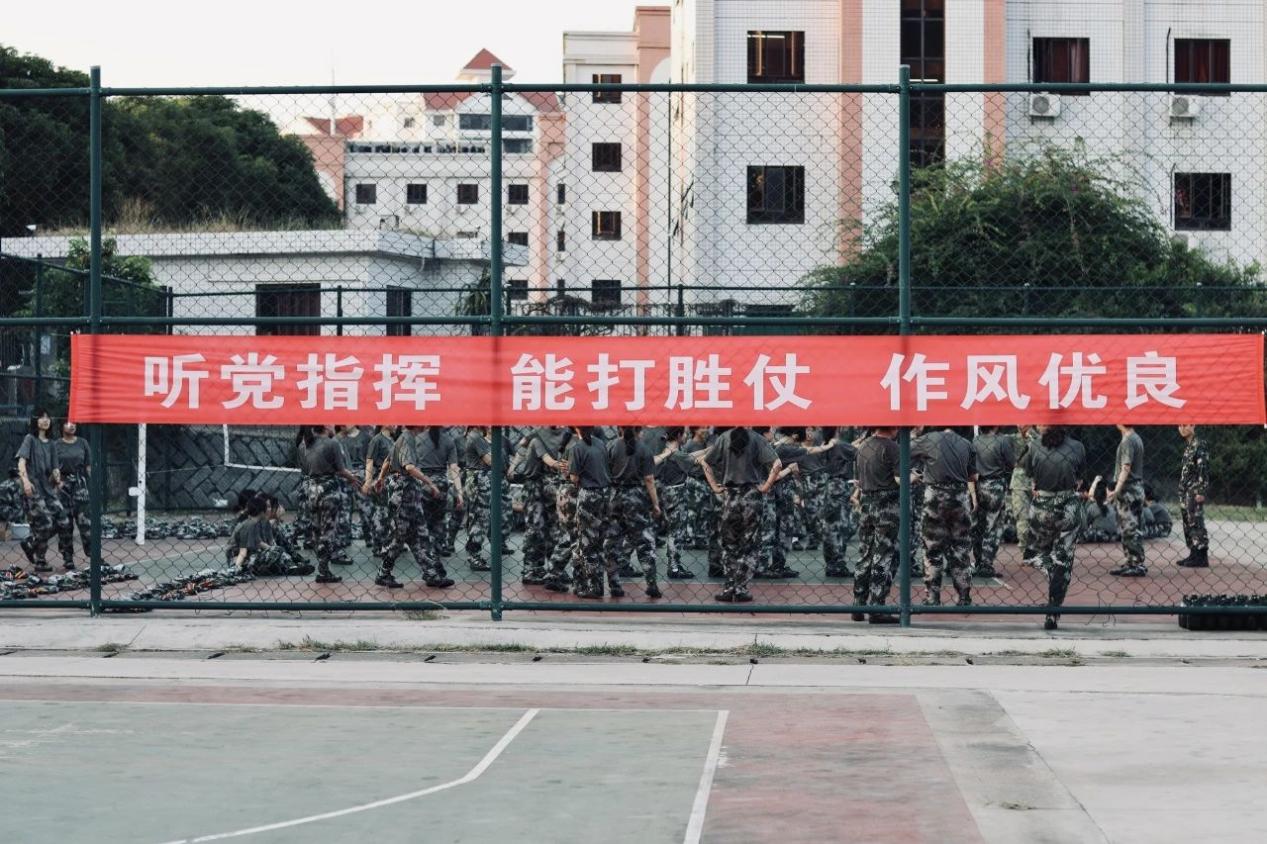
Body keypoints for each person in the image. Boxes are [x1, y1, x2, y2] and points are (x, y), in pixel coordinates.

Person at [1020, 425, 1090, 631]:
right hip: (1068, 504)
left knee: (1032, 555)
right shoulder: (1077, 446)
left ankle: (1051, 567)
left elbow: (1029, 475)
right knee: (1064, 559)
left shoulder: (1034, 446)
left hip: (1043, 504)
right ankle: (1054, 610)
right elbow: (1080, 478)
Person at [700, 427, 781, 603]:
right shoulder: (757, 439)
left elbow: (705, 462)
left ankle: (729, 586)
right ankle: (741, 587)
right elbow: (777, 464)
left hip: (730, 496)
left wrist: (714, 486)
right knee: (749, 544)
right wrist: (766, 486)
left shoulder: (724, 438)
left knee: (729, 544)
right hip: (751, 496)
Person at [378, 427, 455, 589]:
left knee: (420, 534)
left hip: (410, 493)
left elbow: (387, 462)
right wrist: (430, 482)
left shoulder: (401, 438)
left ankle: (431, 573)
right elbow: (409, 467)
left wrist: (381, 478)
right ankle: (383, 573)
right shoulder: (408, 439)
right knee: (400, 537)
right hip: (404, 493)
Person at [911, 426, 978, 607]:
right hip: (960, 496)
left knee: (932, 548)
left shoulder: (928, 439)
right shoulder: (966, 444)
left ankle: (932, 597)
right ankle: (963, 597)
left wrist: (919, 472)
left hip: (935, 495)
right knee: (960, 548)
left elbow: (905, 453)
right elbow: (973, 476)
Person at [603, 426, 663, 599]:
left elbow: (605, 472)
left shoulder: (611, 446)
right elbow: (649, 479)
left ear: (620, 428)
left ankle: (614, 585)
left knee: (612, 541)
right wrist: (655, 504)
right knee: (644, 542)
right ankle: (651, 584)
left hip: (615, 496)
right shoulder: (644, 449)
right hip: (636, 498)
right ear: (639, 430)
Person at [298, 425, 361, 584]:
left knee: (316, 530)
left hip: (312, 491)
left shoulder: (304, 444)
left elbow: (305, 470)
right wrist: (353, 478)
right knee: (328, 530)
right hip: (329, 492)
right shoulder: (332, 443)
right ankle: (324, 568)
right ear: (326, 426)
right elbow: (340, 470)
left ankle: (321, 565)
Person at [850, 427, 901, 624]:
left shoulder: (863, 446)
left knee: (865, 553)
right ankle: (877, 606)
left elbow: (858, 481)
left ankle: (858, 604)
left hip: (866, 503)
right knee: (884, 555)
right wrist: (913, 478)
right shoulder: (892, 447)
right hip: (887, 506)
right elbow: (899, 479)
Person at [556, 426, 610, 598]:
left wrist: (568, 470)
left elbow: (574, 478)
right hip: (604, 493)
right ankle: (597, 583)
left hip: (587, 494)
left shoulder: (577, 448)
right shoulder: (600, 443)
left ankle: (592, 586)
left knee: (586, 542)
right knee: (598, 540)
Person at [17, 409, 66, 573]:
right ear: (35, 420)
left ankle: (31, 543)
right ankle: (41, 561)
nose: (45, 420)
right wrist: (25, 481)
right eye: (41, 417)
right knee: (45, 522)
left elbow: (55, 468)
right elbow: (21, 462)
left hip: (48, 489)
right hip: (33, 488)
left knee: (63, 520)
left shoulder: (52, 443)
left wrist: (57, 478)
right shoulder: (30, 439)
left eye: (48, 417)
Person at [415, 427, 464, 567]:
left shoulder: (418, 439)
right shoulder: (448, 440)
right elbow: (454, 468)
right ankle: (436, 552)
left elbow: (412, 465)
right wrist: (459, 493)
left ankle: (425, 553)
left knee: (423, 520)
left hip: (422, 482)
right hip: (441, 484)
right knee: (439, 520)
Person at [971, 425, 1015, 578]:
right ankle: (986, 563)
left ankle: (978, 561)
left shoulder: (975, 441)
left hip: (978, 483)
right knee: (993, 525)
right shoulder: (1003, 440)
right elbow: (1011, 463)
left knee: (978, 525)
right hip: (996, 484)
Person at [655, 427, 696, 580]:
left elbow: (689, 457)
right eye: (684, 433)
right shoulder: (675, 453)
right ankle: (673, 566)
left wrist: (707, 450)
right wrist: (710, 451)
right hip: (676, 493)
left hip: (668, 492)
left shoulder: (669, 450)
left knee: (675, 530)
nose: (686, 436)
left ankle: (675, 564)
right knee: (676, 531)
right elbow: (692, 460)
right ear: (679, 435)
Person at [1107, 424, 1147, 577]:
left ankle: (1136, 563)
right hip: (1135, 488)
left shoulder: (1128, 441)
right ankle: (1132, 561)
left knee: (1129, 527)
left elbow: (1126, 466)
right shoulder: (1136, 438)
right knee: (1132, 526)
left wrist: (1117, 488)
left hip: (1129, 490)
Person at [820, 427, 860, 578]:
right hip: (839, 485)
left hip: (829, 484)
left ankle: (831, 563)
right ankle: (837, 564)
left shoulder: (825, 444)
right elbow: (859, 452)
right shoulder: (840, 445)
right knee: (840, 526)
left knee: (830, 526)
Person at [53, 420, 91, 570]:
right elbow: (52, 467)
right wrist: (57, 483)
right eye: (68, 423)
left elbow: (88, 466)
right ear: (61, 426)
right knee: (65, 523)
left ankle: (93, 554)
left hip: (80, 485)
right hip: (62, 486)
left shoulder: (83, 443)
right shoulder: (56, 445)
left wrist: (92, 485)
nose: (72, 425)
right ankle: (67, 557)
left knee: (85, 522)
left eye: (74, 423)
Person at [1177, 424, 1210, 568]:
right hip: (1185, 490)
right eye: (1179, 425)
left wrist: (1201, 490)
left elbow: (1203, 468)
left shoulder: (1199, 444)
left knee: (1196, 521)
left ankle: (1201, 556)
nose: (1182, 428)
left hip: (1194, 489)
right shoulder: (1189, 446)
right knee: (1188, 522)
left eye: (1185, 425)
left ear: (1193, 425)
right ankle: (1193, 552)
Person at [364, 424, 397, 561]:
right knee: (381, 512)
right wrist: (368, 481)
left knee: (390, 513)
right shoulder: (377, 439)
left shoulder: (392, 440)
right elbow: (370, 461)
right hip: (381, 479)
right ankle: (378, 545)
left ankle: (389, 543)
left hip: (392, 479)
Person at [1009, 425, 1039, 565]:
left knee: (1042, 518)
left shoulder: (1040, 437)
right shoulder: (1012, 439)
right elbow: (1013, 459)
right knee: (1022, 517)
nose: (1022, 424)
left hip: (1039, 479)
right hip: (1020, 482)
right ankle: (1026, 552)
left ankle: (1042, 551)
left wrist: (1032, 435)